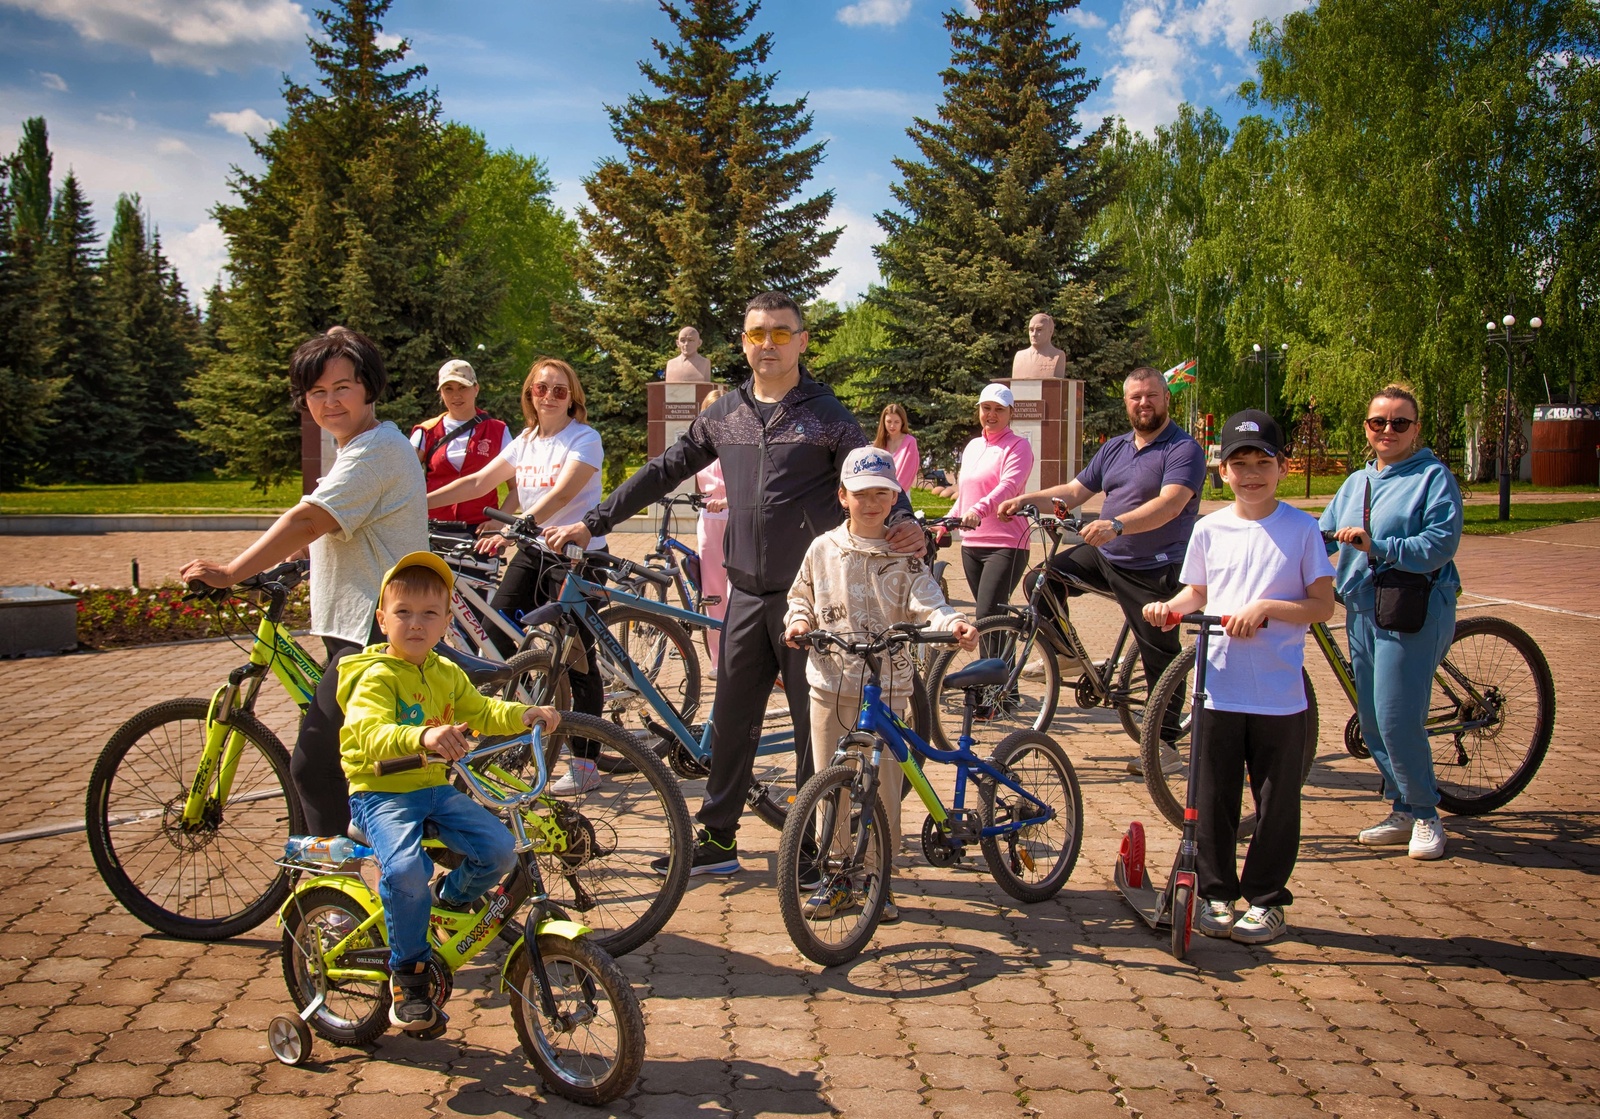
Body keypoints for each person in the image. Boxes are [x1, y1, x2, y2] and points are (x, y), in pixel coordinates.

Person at [545, 291, 926, 876]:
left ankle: (810, 848)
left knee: (813, 727)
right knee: (730, 722)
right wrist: (593, 522)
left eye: (780, 332)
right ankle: (719, 840)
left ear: (801, 341)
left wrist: (904, 525)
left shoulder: (827, 413)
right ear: (743, 343)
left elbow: (869, 477)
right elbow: (663, 470)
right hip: (746, 591)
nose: (767, 344)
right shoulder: (726, 413)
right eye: (756, 334)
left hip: (813, 601)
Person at [180, 326, 427, 837]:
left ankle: (337, 889)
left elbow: (310, 518)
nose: (329, 401)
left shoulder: (375, 449)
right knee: (369, 763)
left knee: (314, 764)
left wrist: (230, 573)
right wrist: (294, 562)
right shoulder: (361, 447)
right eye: (317, 391)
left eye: (342, 387)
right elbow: (334, 526)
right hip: (367, 627)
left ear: (369, 389)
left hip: (376, 634)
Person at [337, 551, 560, 1031]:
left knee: (500, 849)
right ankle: (410, 975)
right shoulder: (373, 677)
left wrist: (523, 715)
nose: (415, 624)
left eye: (429, 614)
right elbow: (367, 731)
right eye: (403, 613)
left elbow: (480, 711)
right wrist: (422, 737)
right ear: (382, 619)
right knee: (404, 872)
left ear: (445, 624)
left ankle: (450, 901)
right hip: (382, 792)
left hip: (434, 790)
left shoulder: (445, 672)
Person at [1142, 410, 1335, 945]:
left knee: (1275, 804)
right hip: (1217, 687)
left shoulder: (1299, 529)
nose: (1251, 473)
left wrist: (1268, 607)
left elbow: (1322, 606)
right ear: (1221, 471)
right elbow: (1198, 593)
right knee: (1213, 798)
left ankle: (1267, 899)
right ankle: (1218, 894)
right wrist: (1170, 608)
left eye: (1262, 462)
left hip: (1277, 695)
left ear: (1282, 467)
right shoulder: (1209, 528)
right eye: (1239, 463)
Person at [784, 446, 978, 924]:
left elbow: (927, 599)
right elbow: (800, 595)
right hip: (829, 683)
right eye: (860, 494)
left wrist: (952, 623)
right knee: (830, 787)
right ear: (842, 497)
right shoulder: (822, 548)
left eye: (881, 494)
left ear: (894, 499)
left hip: (888, 687)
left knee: (885, 789)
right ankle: (835, 877)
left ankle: (877, 879)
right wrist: (798, 623)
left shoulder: (905, 553)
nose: (870, 503)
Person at [999, 366, 1206, 774]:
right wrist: (1028, 498)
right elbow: (1075, 492)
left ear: (1166, 398)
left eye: (1151, 395)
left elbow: (1171, 503)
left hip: (1153, 566)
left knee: (1159, 653)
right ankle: (1068, 657)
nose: (1143, 403)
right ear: (1126, 403)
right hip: (1106, 556)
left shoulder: (1183, 449)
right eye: (1135, 397)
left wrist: (1118, 524)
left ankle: (1165, 747)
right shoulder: (1115, 448)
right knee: (1040, 581)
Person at [424, 358, 607, 795]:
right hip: (533, 553)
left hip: (577, 557)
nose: (549, 396)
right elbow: (476, 482)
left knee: (577, 657)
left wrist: (513, 527)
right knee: (496, 636)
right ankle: (499, 736)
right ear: (530, 394)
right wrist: (418, 501)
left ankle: (586, 764)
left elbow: (562, 493)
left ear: (572, 398)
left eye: (560, 390)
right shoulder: (524, 441)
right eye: (541, 388)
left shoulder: (584, 438)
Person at [1320, 384, 1462, 860]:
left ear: (1415, 430)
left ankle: (1426, 815)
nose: (1387, 430)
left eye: (1399, 422)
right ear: (1366, 427)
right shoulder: (1355, 482)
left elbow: (1440, 544)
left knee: (1398, 718)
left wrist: (1378, 546)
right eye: (1378, 421)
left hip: (1413, 606)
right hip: (1362, 606)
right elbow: (1323, 534)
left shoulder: (1432, 478)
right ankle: (1402, 807)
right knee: (1374, 719)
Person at [953, 384, 1035, 645]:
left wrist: (978, 509)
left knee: (986, 616)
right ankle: (1001, 681)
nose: (991, 414)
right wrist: (945, 522)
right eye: (986, 408)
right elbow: (966, 493)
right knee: (992, 618)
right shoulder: (973, 447)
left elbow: (1008, 487)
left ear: (1011, 413)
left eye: (999, 409)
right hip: (971, 545)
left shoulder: (1018, 447)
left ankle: (990, 681)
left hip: (1006, 545)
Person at [409, 359, 512, 530]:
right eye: (448, 389)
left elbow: (516, 488)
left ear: (476, 388)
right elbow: (400, 478)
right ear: (441, 393)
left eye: (463, 387)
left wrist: (499, 522)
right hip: (433, 528)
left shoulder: (498, 430)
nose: (456, 395)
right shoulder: (425, 431)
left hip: (481, 530)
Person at [695, 385, 730, 678]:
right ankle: (719, 662)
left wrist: (730, 501)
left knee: (740, 591)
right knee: (713, 593)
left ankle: (743, 660)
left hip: (738, 519)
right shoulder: (700, 448)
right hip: (708, 522)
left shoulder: (742, 442)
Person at [873, 403, 920, 493]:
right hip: (880, 494)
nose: (892, 426)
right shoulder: (880, 443)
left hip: (900, 493)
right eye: (889, 421)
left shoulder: (910, 442)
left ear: (902, 422)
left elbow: (908, 472)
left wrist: (894, 493)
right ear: (883, 422)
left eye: (896, 422)